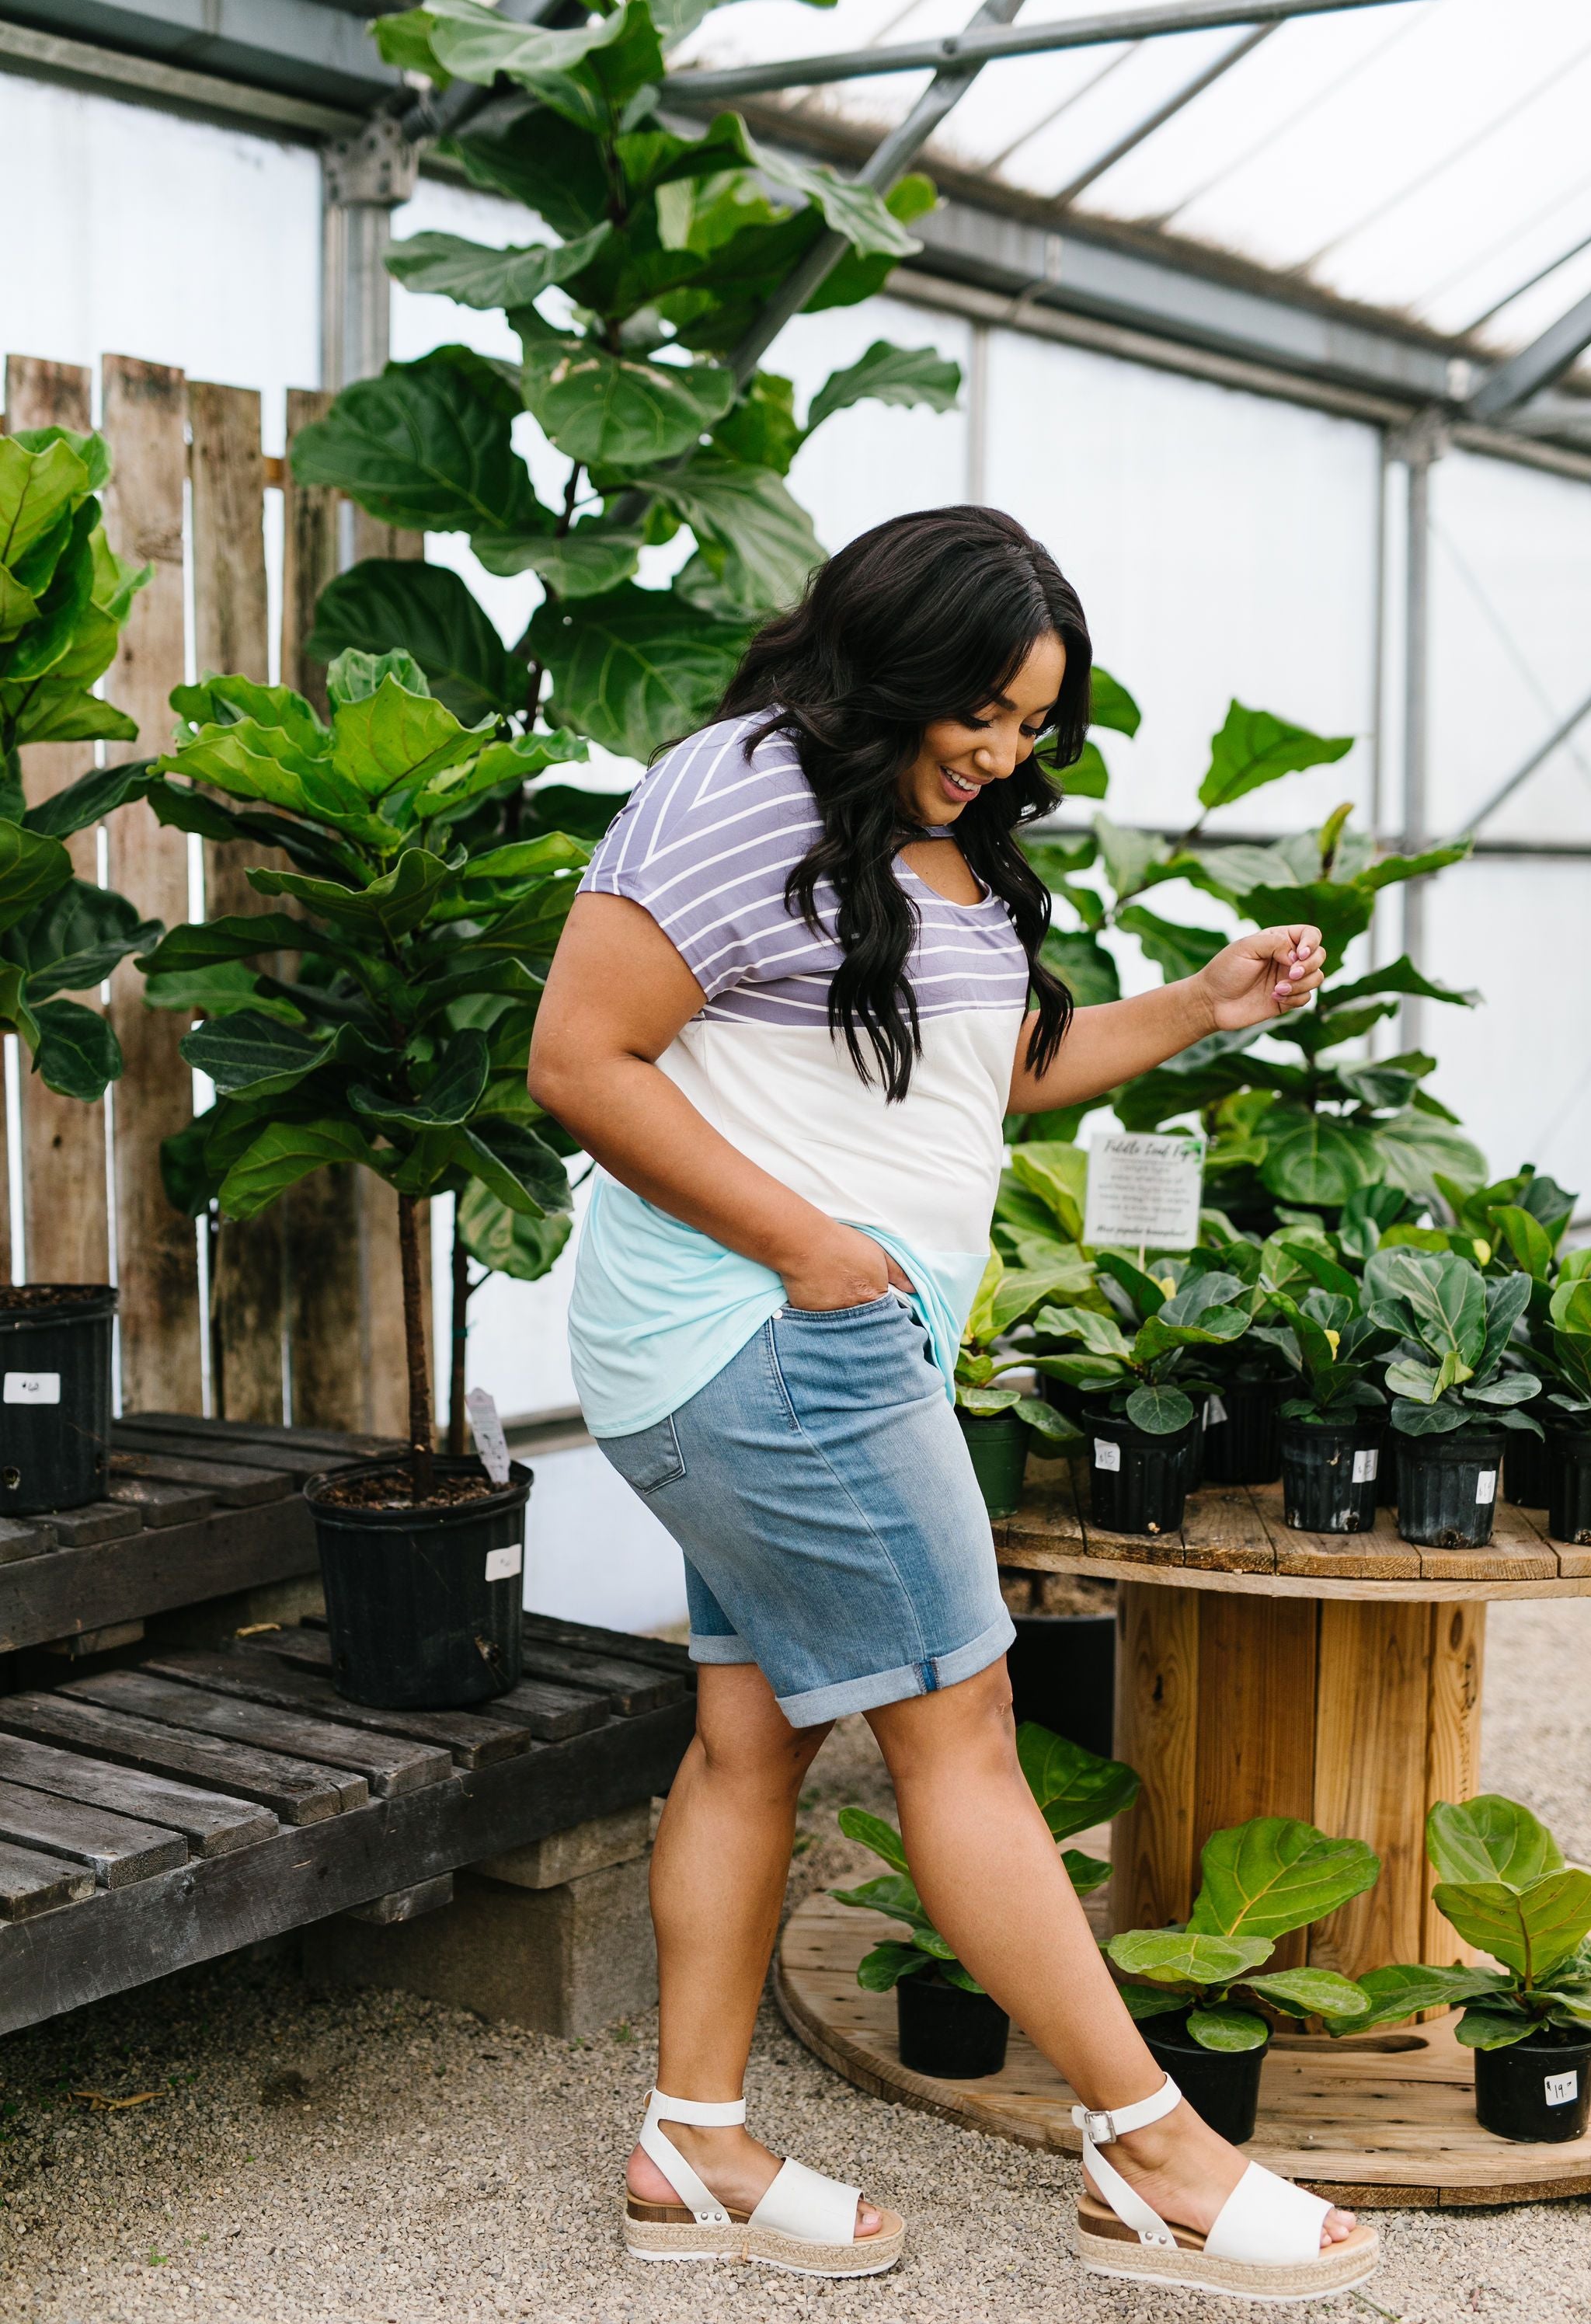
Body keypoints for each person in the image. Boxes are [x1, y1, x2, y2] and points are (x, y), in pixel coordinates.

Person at [527, 505, 1378, 2301]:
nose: (998, 752)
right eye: (977, 710)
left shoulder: (925, 832)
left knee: (753, 1739)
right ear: (885, 658)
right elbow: (575, 1058)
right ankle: (1149, 2151)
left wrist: (1199, 1007)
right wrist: (817, 1256)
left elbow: (986, 1079)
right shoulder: (739, 788)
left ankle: (691, 2146)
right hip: (768, 1336)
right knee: (963, 1729)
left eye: (1030, 727)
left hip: (806, 1340)